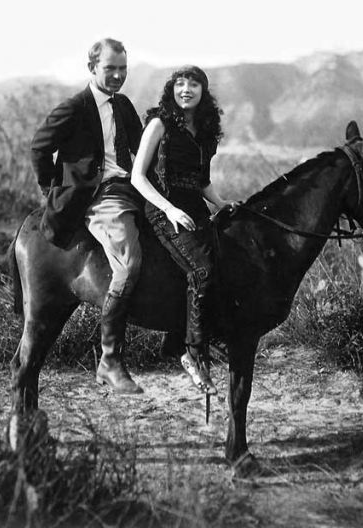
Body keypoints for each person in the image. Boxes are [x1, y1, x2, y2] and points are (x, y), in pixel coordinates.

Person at [31, 38, 145, 394]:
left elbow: (140, 149)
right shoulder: (74, 108)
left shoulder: (124, 105)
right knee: (128, 263)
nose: (117, 76)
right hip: (101, 196)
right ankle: (110, 359)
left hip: (132, 187)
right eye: (110, 68)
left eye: (122, 69)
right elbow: (39, 147)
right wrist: (54, 189)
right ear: (92, 67)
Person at [131, 66, 236, 395]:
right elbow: (138, 177)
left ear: (203, 91)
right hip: (162, 209)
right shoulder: (159, 124)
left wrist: (220, 203)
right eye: (180, 83)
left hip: (195, 209)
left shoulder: (204, 131)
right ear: (171, 89)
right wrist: (169, 209)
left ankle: (180, 337)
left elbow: (201, 181)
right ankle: (190, 353)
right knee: (201, 270)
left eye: (194, 84)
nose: (186, 89)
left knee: (223, 261)